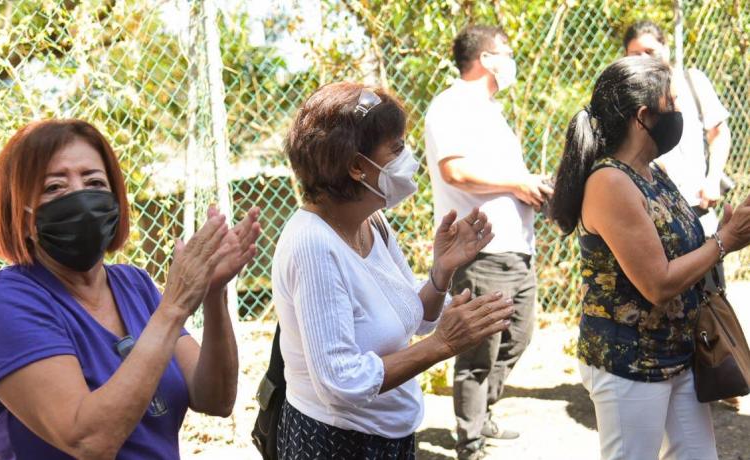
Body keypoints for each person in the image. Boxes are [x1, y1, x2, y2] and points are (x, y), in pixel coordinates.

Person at [0, 119, 262, 459]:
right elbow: (89, 441)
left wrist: (213, 294)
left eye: (93, 182)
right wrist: (176, 305)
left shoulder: (134, 285)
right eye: (54, 188)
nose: (80, 197)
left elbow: (215, 398)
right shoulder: (5, 304)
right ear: (21, 213)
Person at [272, 82, 515, 459]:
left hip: (389, 433)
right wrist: (442, 346)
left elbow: (415, 318)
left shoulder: (373, 223)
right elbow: (339, 381)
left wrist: (441, 272)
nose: (409, 157)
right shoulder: (312, 245)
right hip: (337, 442)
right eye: (397, 148)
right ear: (356, 166)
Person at [549, 56, 750, 459]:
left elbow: (679, 247)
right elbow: (657, 283)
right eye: (672, 104)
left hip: (677, 352)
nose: (679, 114)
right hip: (630, 361)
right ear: (644, 116)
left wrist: (718, 233)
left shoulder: (651, 172)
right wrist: (725, 241)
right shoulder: (611, 182)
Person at [424, 24, 551, 459]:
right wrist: (519, 182)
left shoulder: (492, 112)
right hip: (480, 251)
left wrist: (532, 189)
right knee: (479, 350)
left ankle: (485, 413)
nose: (510, 59)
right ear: (486, 57)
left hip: (517, 247)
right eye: (506, 51)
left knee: (519, 336)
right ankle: (470, 442)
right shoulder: (451, 105)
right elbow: (454, 171)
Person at [624, 20, 732, 236]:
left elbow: (719, 133)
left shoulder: (693, 82)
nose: (644, 59)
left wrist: (712, 179)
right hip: (653, 218)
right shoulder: (626, 97)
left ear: (665, 47)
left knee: (710, 264)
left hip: (697, 210)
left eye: (650, 51)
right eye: (635, 54)